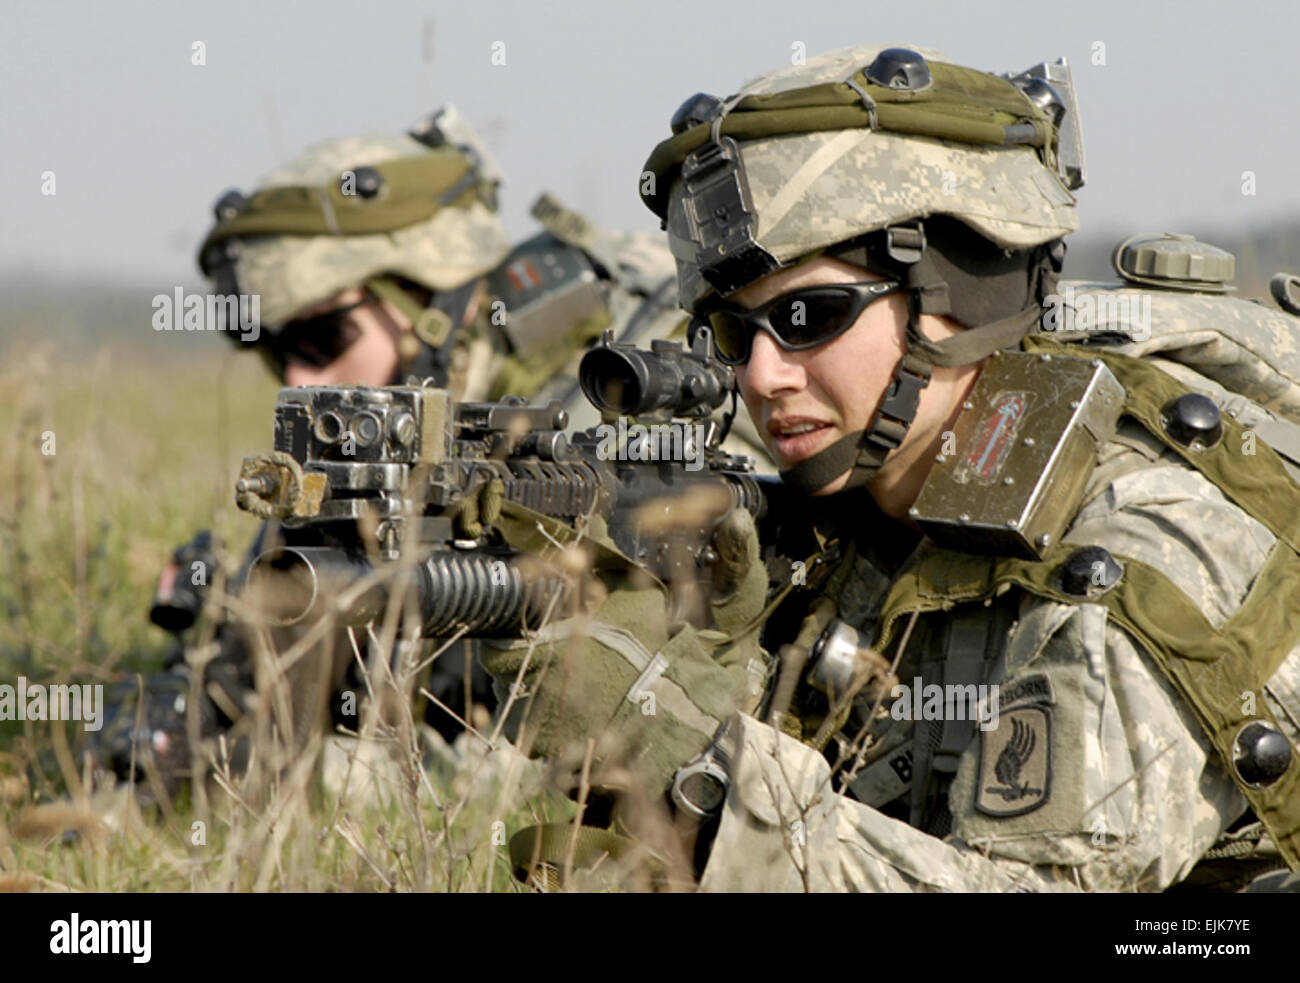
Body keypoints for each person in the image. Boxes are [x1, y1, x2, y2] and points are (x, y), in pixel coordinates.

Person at [484, 44, 1300, 892]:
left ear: (954, 296)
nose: (762, 376)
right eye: (735, 334)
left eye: (809, 316)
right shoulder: (882, 512)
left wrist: (671, 739)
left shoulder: (1136, 537)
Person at [96, 106, 769, 796]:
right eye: (277, 352)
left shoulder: (625, 391)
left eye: (325, 338)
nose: (300, 380)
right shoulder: (374, 456)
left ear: (433, 303)